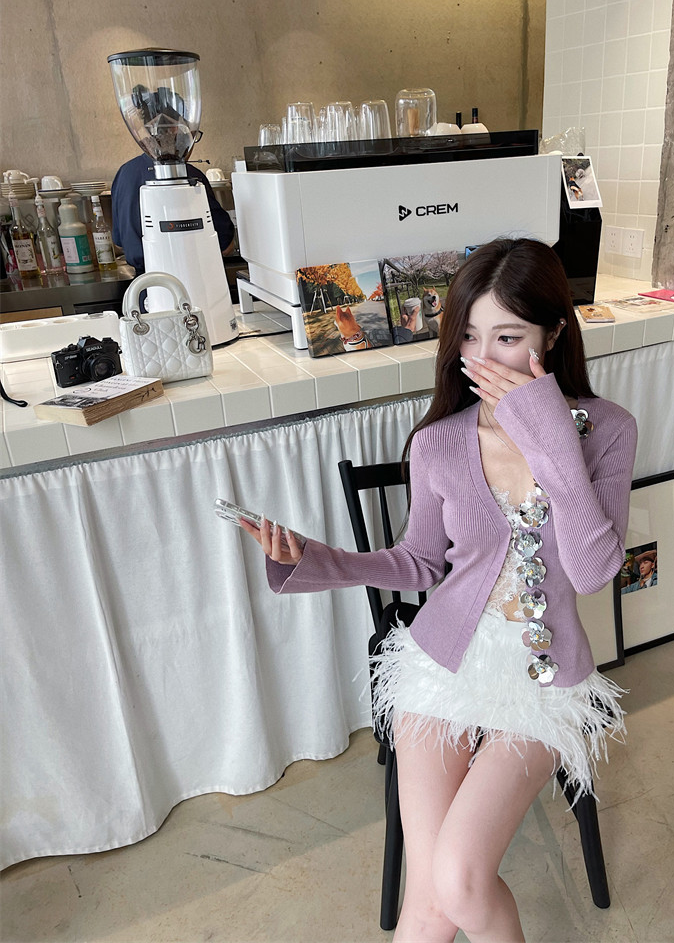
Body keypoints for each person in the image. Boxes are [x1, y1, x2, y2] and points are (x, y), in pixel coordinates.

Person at [241, 238, 638, 942]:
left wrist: (550, 437)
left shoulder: (607, 431)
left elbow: (591, 571)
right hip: (440, 662)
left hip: (543, 680)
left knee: (459, 878)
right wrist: (320, 560)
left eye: (508, 337)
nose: (483, 359)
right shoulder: (439, 444)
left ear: (554, 333)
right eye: (469, 337)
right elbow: (421, 563)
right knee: (428, 904)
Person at [110, 140, 235, 275]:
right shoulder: (189, 176)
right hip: (192, 277)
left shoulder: (124, 173)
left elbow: (119, 243)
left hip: (144, 281)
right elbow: (225, 246)